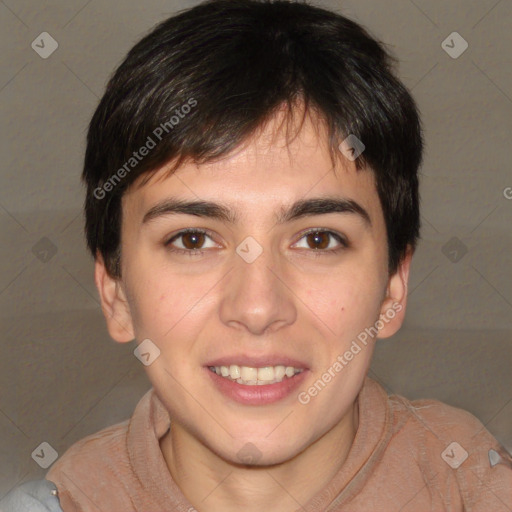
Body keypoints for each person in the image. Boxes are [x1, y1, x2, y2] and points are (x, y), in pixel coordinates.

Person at [2, 0, 511, 510]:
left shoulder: (470, 485)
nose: (257, 308)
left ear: (393, 287)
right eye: (193, 240)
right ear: (114, 291)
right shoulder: (63, 502)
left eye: (318, 240)